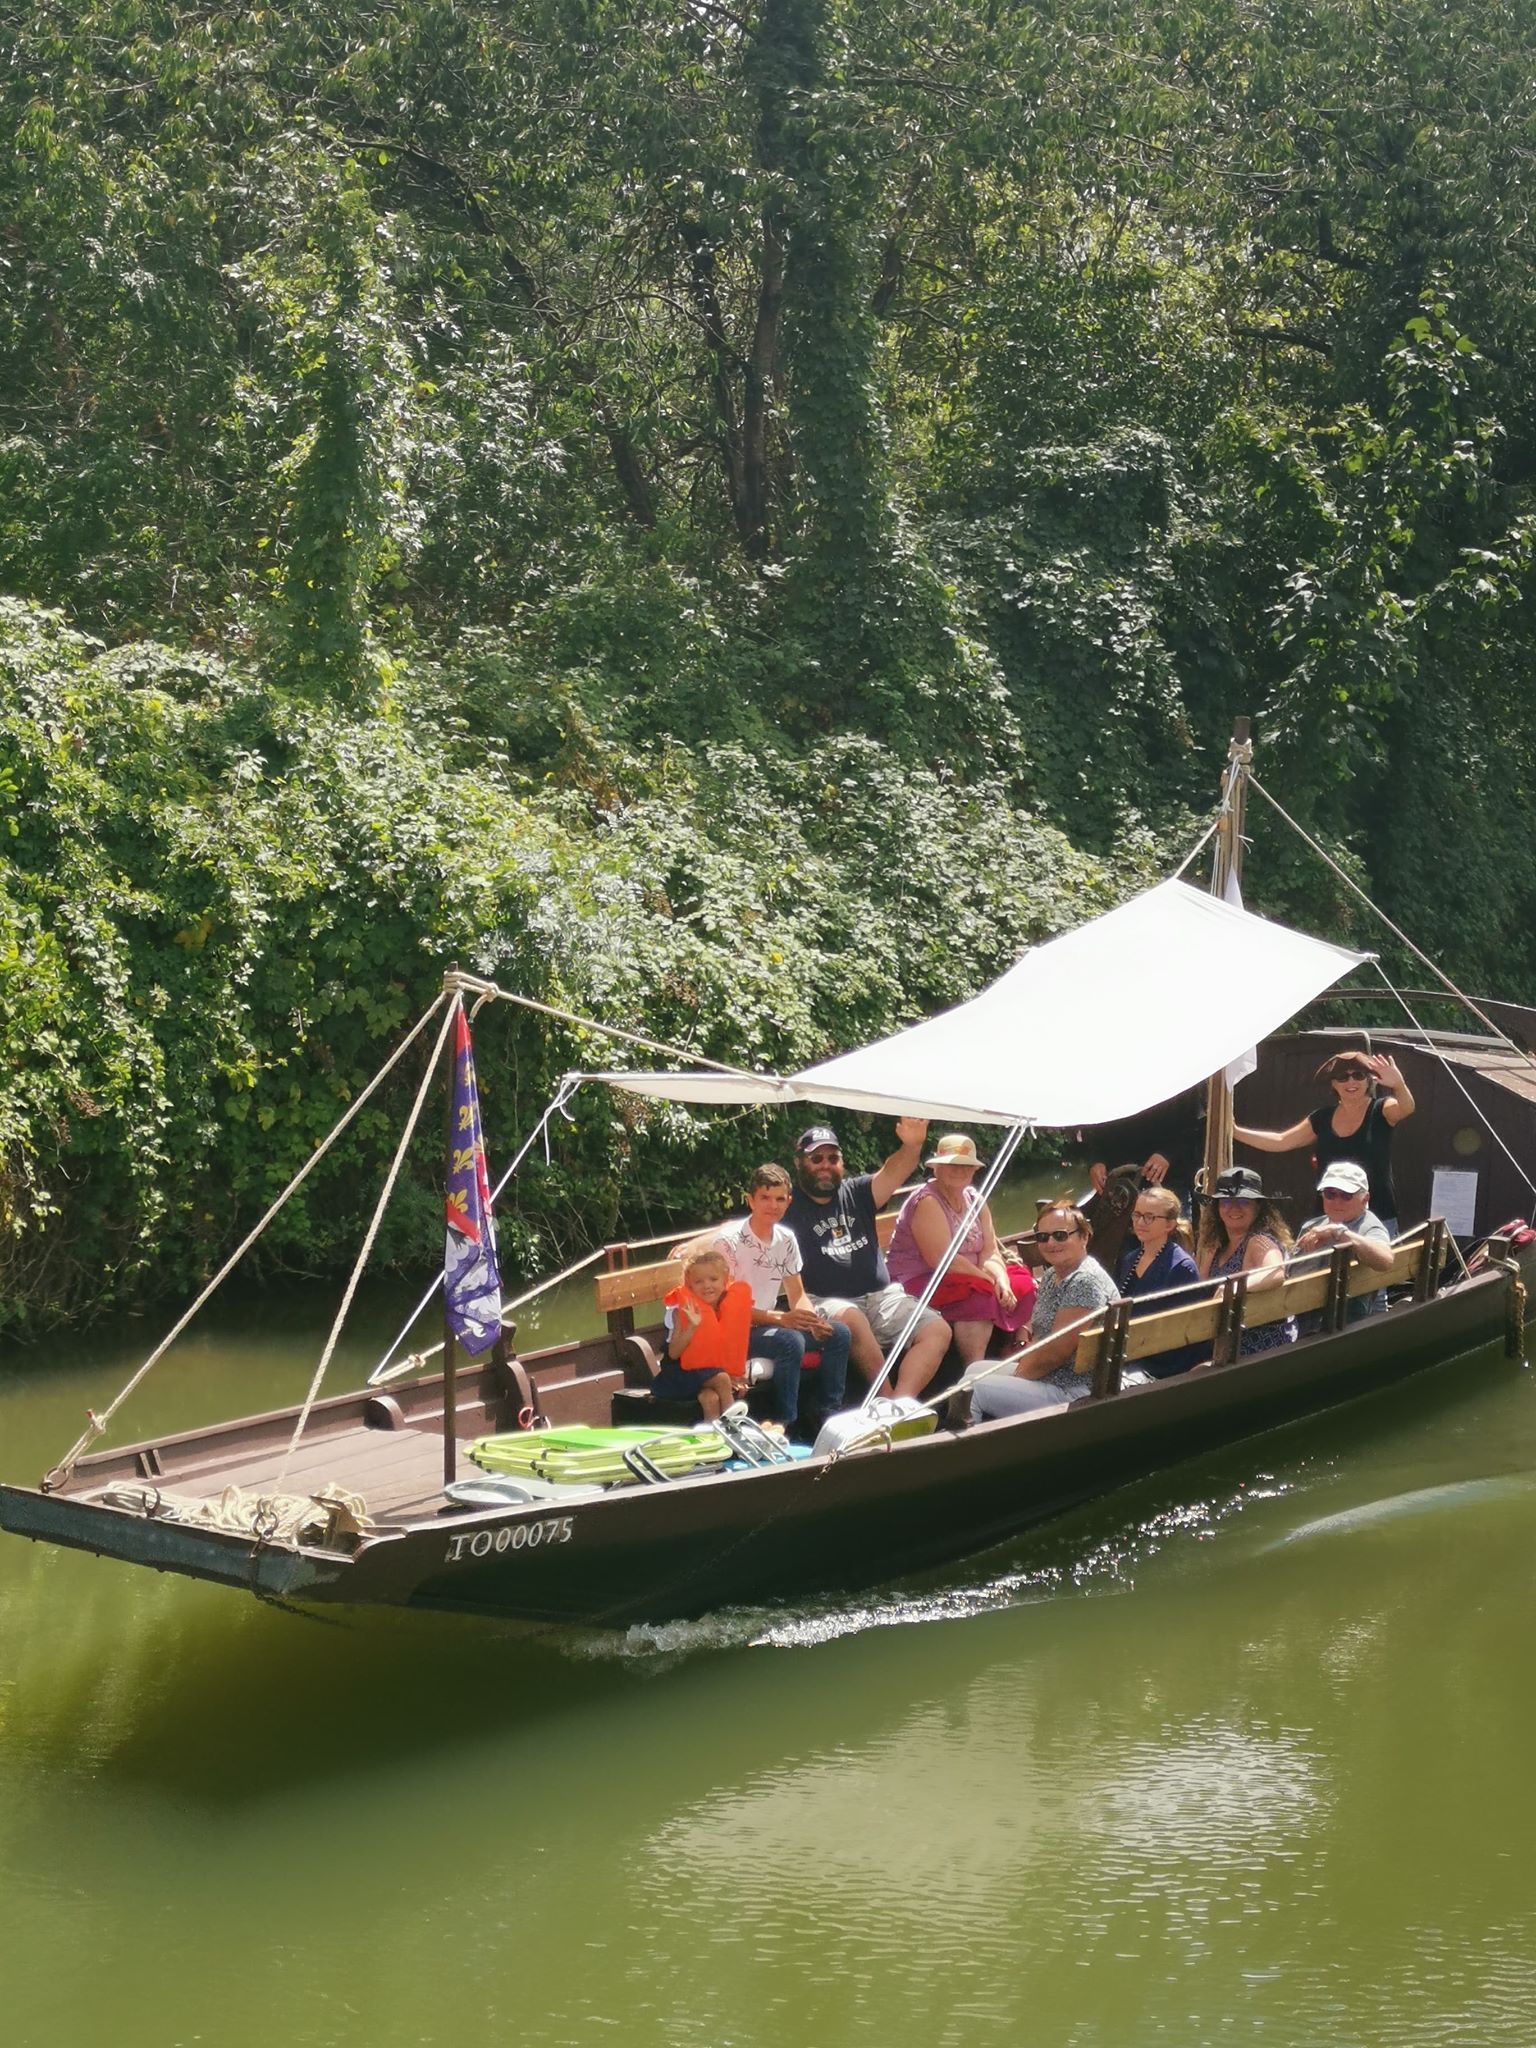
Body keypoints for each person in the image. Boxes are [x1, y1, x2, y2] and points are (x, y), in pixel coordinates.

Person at [785, 1120, 952, 1398]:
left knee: (937, 1330)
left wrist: (912, 1145)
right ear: (799, 1162)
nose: (825, 1165)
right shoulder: (786, 1206)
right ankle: (886, 1400)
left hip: (881, 1298)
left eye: (833, 1158)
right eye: (816, 1158)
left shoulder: (858, 1192)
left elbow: (895, 1170)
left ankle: (900, 1403)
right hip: (824, 1301)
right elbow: (750, 1228)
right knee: (853, 1318)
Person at [709, 1164, 852, 1436]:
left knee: (839, 1333)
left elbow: (797, 1294)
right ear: (751, 1200)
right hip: (734, 1331)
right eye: (765, 1198)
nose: (773, 1205)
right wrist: (782, 1319)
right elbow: (725, 1308)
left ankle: (827, 1412)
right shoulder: (728, 1242)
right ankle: (784, 1421)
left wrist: (813, 1321)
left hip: (768, 1325)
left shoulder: (786, 1239)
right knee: (790, 1341)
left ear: (788, 1202)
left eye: (779, 1199)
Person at [885, 1133, 1036, 1368]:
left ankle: (1018, 1344)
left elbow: (990, 1251)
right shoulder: (927, 1201)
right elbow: (942, 1260)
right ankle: (973, 1367)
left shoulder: (975, 1199)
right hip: (925, 1278)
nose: (959, 1171)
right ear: (936, 1168)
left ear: (974, 1170)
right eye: (951, 1165)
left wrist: (1001, 1280)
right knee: (980, 1293)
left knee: (1022, 1281)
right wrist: (987, 1279)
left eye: (966, 1166)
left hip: (968, 1273)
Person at [1234, 1050, 1414, 1240]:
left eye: (1358, 1075)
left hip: (1377, 1218)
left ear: (1369, 1080)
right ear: (1333, 1084)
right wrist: (1235, 1132)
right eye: (1343, 1077)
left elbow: (1406, 1108)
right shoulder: (1322, 1118)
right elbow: (1281, 1141)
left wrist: (1399, 1085)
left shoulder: (1381, 1109)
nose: (1351, 1082)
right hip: (1328, 1220)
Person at [970, 1204, 1120, 1421]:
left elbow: (1055, 1353)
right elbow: (1042, 1338)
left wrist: (1019, 1375)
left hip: (1074, 1390)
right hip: (1051, 1377)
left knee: (975, 1389)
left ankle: (970, 1440)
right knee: (974, 1371)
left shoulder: (1085, 1282)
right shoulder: (1052, 1276)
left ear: (1084, 1237)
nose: (1050, 1243)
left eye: (1060, 1235)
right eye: (1042, 1237)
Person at [1194, 1165, 1295, 1355]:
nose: (1234, 1208)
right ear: (1217, 1208)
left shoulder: (1259, 1241)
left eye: (1244, 1201)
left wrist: (1233, 1287)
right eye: (1226, 1201)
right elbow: (1199, 1291)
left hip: (1254, 1346)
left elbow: (1275, 1273)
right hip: (1220, 1340)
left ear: (1258, 1207)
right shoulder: (1216, 1247)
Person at [1115, 1184, 1205, 1378]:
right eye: (1137, 1215)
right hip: (1129, 1355)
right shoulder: (1130, 1259)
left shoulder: (1181, 1267)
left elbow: (1183, 1331)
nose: (1140, 1222)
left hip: (1161, 1365)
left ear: (1169, 1225)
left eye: (1150, 1217)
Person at [1290, 1160, 1395, 1326]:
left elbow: (1385, 1260)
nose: (1337, 1201)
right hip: (1299, 1313)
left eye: (1346, 1195)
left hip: (1341, 1322)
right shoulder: (1311, 1226)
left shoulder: (1368, 1226)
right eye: (1330, 1194)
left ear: (1365, 1199)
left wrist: (1339, 1232)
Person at [653, 1248, 752, 1419]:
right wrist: (692, 1326)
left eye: (713, 1279)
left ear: (725, 1280)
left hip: (708, 1374)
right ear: (689, 1284)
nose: (707, 1286)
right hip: (677, 1375)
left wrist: (736, 1375)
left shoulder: (727, 1306)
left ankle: (711, 1430)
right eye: (698, 1282)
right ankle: (733, 1423)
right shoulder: (681, 1311)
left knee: (710, 1398)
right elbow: (674, 1353)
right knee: (722, 1379)